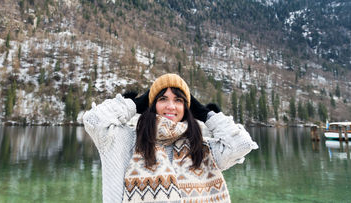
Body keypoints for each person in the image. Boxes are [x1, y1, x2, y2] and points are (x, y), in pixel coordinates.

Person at [79, 73, 258, 202]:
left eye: (178, 100)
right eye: (163, 99)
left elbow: (241, 144)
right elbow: (94, 120)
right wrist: (135, 104)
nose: (171, 106)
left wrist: (205, 114)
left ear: (187, 107)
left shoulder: (202, 149)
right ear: (152, 104)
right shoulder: (124, 140)